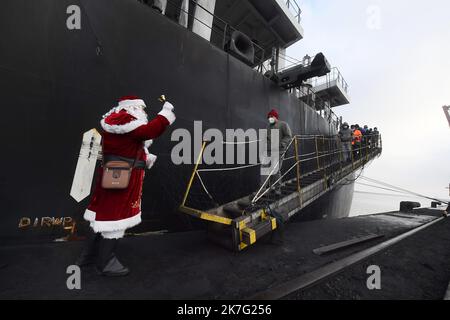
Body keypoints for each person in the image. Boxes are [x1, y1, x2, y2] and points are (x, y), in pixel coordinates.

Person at [75, 95, 176, 276]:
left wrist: (145, 157)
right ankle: (106, 262)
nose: (144, 113)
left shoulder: (116, 122)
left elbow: (127, 147)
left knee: (101, 215)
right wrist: (166, 112)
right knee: (115, 219)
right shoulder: (128, 121)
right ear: (133, 108)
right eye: (142, 109)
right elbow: (151, 130)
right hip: (123, 179)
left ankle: (87, 256)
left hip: (111, 174)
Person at [262, 109, 292, 196]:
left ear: (276, 117)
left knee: (275, 170)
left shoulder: (283, 125)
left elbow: (288, 136)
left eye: (271, 117)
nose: (270, 118)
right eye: (269, 117)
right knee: (264, 169)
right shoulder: (268, 126)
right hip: (268, 151)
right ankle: (263, 189)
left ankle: (277, 189)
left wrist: (282, 144)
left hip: (279, 151)